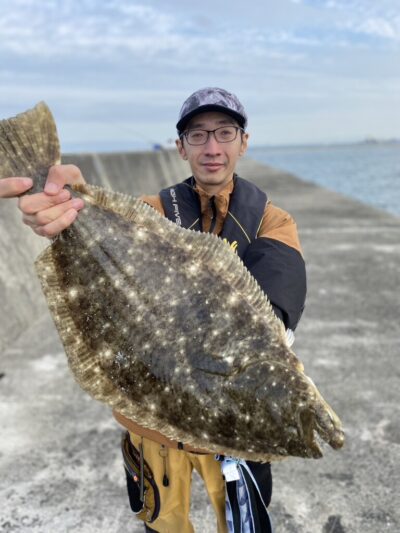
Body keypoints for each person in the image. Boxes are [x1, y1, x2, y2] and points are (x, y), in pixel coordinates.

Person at [0, 87, 306, 532]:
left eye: (225, 132)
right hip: (153, 430)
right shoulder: (149, 213)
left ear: (244, 142)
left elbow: (276, 306)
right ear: (181, 148)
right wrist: (60, 208)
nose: (213, 147)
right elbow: (90, 229)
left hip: (235, 433)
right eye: (198, 135)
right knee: (162, 526)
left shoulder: (273, 222)